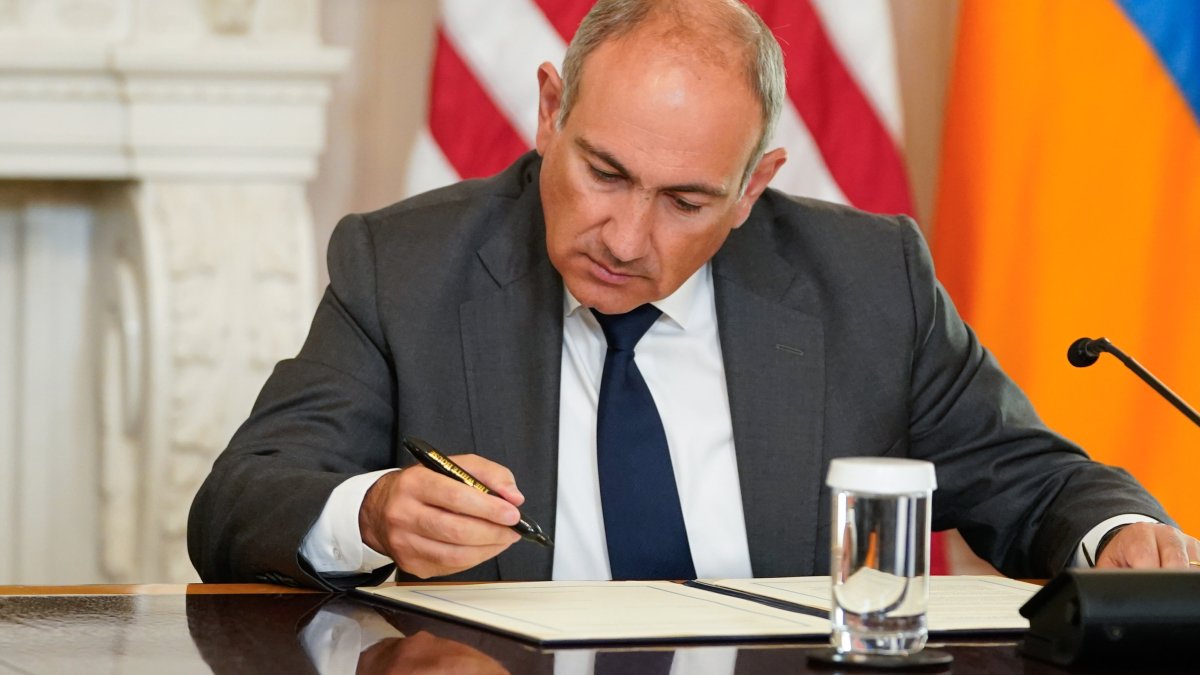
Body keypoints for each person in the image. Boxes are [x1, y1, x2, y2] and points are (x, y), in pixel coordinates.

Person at [188, 0, 1198, 590]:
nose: (626, 239)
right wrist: (375, 512)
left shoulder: (867, 279)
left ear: (755, 186)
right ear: (549, 111)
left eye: (685, 201)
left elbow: (1038, 480)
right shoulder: (406, 265)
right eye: (605, 173)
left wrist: (1122, 537)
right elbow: (240, 500)